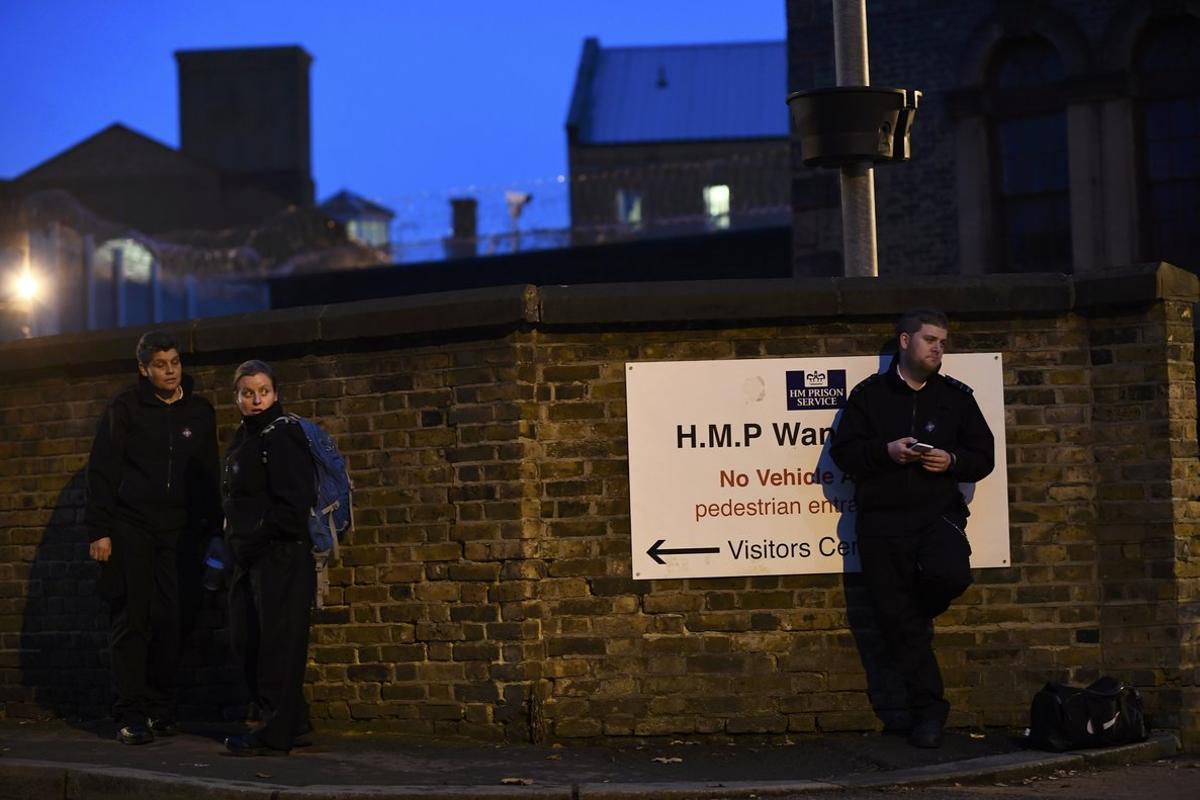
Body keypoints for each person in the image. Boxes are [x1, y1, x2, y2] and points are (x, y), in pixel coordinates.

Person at [829, 309, 995, 749]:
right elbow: (845, 454)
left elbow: (985, 455)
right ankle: (928, 712)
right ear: (905, 341)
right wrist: (886, 452)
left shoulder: (957, 398)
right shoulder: (870, 396)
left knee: (950, 577)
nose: (939, 348)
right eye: (930, 340)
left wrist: (952, 461)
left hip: (936, 514)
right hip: (882, 521)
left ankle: (911, 614)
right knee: (897, 623)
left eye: (943, 341)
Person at [86, 330, 222, 745]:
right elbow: (103, 470)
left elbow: (208, 473)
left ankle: (161, 708)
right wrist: (100, 530)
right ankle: (130, 713)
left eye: (175, 362)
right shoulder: (125, 408)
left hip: (180, 532)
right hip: (132, 527)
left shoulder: (199, 412)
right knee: (132, 620)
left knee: (173, 618)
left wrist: (212, 530)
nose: (170, 371)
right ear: (143, 368)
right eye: (160, 365)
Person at [222, 359, 316, 756]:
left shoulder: (282, 436)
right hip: (251, 557)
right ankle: (293, 723)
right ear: (237, 398)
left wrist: (255, 539)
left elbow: (294, 506)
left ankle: (275, 734)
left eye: (263, 391)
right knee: (248, 640)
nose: (256, 399)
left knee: (277, 646)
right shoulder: (243, 438)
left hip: (281, 556)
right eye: (248, 392)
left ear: (275, 393)